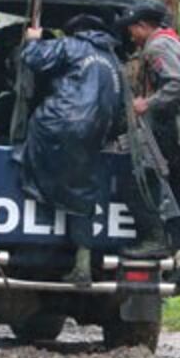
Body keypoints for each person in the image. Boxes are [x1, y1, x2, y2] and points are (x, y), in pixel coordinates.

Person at [19, 14, 123, 287]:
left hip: (58, 121)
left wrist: (33, 40)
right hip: (95, 132)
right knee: (83, 193)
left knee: (32, 140)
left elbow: (35, 60)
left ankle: (35, 188)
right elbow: (122, 109)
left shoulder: (70, 45)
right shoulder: (113, 60)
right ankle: (82, 264)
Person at [119, 7, 180, 285]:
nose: (130, 35)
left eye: (131, 28)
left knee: (142, 176)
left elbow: (178, 82)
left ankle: (155, 240)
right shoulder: (178, 43)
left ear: (141, 26)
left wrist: (147, 103)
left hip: (177, 124)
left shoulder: (157, 47)